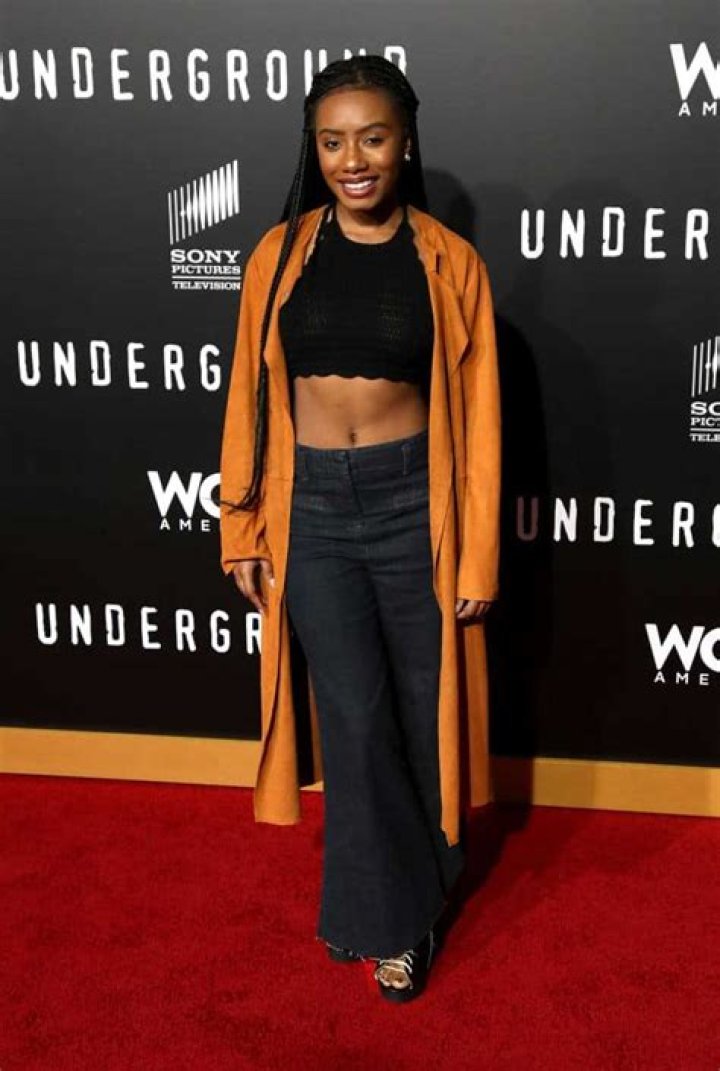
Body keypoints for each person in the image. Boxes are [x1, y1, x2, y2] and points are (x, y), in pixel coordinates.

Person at [219, 54, 501, 1003]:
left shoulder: (449, 263)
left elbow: (481, 422)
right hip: (311, 512)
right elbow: (249, 397)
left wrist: (476, 554)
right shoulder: (278, 254)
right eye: (333, 141)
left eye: (372, 138)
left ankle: (416, 889)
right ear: (314, 148)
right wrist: (243, 523)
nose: (353, 159)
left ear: (405, 142)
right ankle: (392, 921)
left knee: (424, 714)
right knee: (351, 719)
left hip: (415, 504)